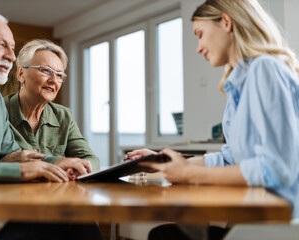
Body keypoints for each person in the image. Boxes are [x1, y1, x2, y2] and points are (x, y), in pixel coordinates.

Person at [126, 0, 299, 239]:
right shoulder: (237, 87)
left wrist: (190, 175)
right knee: (166, 234)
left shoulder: (265, 69)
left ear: (226, 22)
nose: (198, 47)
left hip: (278, 224)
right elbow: (230, 159)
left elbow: (278, 169)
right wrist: (161, 160)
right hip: (251, 218)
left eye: (200, 34)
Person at [0, 10, 103, 240]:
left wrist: (56, 162)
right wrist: (18, 171)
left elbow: (15, 153)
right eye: (1, 45)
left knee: (77, 225)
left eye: (12, 47)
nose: (11, 56)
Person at [3, 39, 100, 179]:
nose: (54, 80)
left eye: (59, 75)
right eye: (46, 71)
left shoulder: (63, 116)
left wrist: (77, 169)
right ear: (21, 74)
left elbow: (91, 159)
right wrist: (56, 163)